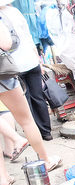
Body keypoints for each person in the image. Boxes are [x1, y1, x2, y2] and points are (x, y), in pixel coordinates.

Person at [0, 4, 60, 185]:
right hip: (5, 73)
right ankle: (45, 160)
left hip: (15, 70)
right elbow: (6, 43)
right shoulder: (9, 13)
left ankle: (3, 178)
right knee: (26, 119)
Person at [1, 0, 52, 140]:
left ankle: (33, 134)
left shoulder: (2, 17)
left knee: (25, 102)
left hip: (13, 66)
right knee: (38, 97)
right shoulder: (16, 12)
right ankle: (46, 132)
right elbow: (29, 36)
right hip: (31, 61)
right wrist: (38, 61)